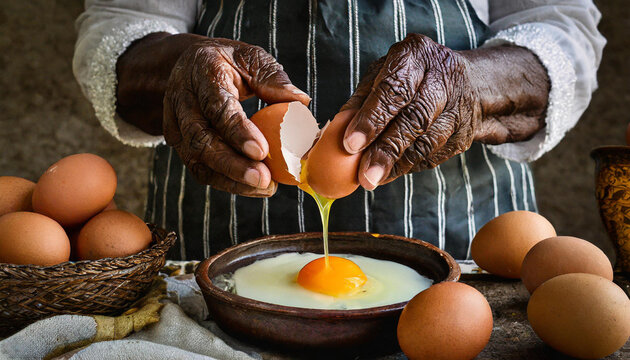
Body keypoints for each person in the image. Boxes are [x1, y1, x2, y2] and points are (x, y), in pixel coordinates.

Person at [73, 0, 604, 262]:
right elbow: (121, 24)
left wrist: (470, 82)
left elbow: (562, 26)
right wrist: (181, 70)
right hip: (217, 237)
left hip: (458, 232)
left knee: (453, 315)